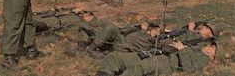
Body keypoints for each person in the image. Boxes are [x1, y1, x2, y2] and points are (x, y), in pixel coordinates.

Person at [94, 41, 224, 76]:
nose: (209, 46)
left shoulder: (204, 60)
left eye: (212, 47)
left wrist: (182, 50)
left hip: (165, 63)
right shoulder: (197, 49)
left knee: (140, 68)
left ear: (213, 56)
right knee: (115, 56)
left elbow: (189, 69)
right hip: (157, 53)